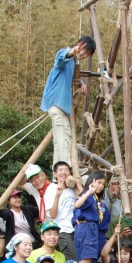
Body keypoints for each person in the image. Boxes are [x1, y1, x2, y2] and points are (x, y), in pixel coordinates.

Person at [40, 36, 96, 166]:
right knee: (64, 140)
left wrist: (81, 82)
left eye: (87, 55)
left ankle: (58, 173)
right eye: (85, 52)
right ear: (79, 45)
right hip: (57, 103)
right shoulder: (66, 55)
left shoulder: (72, 64)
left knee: (59, 142)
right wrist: (72, 52)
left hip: (62, 106)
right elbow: (60, 60)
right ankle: (65, 170)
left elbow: (71, 76)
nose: (84, 56)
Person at [73, 170, 107, 263]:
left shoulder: (95, 199)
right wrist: (89, 191)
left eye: (103, 184)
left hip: (85, 229)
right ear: (92, 181)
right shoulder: (89, 195)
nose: (101, 186)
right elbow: (77, 204)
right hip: (88, 229)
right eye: (99, 182)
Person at [49, 161, 80, 260]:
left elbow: (86, 199)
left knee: (82, 259)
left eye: (67, 170)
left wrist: (76, 182)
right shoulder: (51, 189)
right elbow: (53, 215)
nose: (64, 172)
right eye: (61, 170)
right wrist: (57, 195)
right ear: (55, 173)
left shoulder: (73, 189)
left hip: (77, 229)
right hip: (63, 231)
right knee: (73, 261)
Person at [0, 189, 42, 254]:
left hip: (33, 242)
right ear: (8, 201)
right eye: (15, 198)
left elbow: (42, 211)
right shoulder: (7, 214)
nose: (18, 199)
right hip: (19, 246)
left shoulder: (28, 209)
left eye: (18, 197)